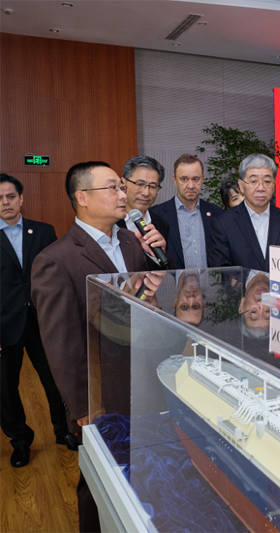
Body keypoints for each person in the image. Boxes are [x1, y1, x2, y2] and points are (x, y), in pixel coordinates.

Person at [31, 161, 165, 533]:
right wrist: (83, 407)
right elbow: (62, 344)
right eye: (113, 188)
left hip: (141, 380)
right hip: (100, 392)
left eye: (122, 187)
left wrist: (157, 257)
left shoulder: (131, 242)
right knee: (100, 482)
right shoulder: (55, 260)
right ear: (83, 198)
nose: (124, 194)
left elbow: (140, 307)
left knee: (143, 469)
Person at [0, 174, 74, 469]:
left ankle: (63, 430)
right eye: (0, 198)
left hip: (43, 321)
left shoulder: (43, 232)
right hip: (5, 324)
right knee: (6, 388)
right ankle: (20, 441)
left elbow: (56, 276)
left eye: (10, 196)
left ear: (21, 199)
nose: (5, 202)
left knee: (56, 379)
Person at [208, 153, 280, 271]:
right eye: (253, 181)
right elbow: (220, 271)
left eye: (267, 181)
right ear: (241, 186)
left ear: (274, 185)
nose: (261, 188)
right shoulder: (223, 223)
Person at [150, 154, 223, 269]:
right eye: (184, 179)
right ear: (175, 180)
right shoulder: (156, 215)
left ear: (202, 179)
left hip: (210, 280)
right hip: (173, 280)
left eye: (195, 179)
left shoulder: (217, 214)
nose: (191, 185)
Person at [116, 156, 171, 243]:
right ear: (123, 183)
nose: (146, 193)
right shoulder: (110, 221)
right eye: (140, 184)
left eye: (152, 186)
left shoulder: (162, 224)